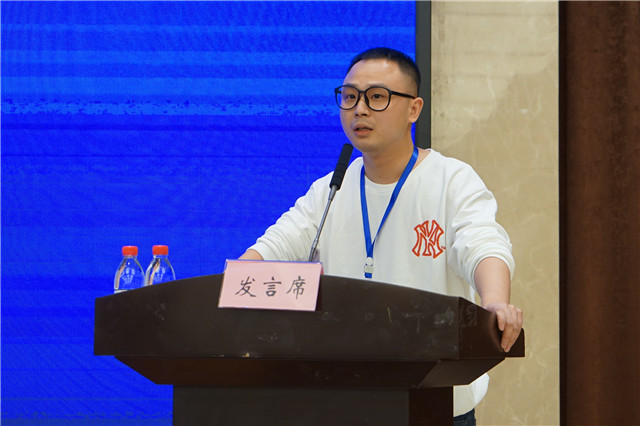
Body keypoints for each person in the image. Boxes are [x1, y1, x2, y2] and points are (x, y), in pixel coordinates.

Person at [240, 47, 523, 424]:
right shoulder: (330, 190)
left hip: (434, 406)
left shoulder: (451, 180)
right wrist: (234, 283)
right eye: (350, 96)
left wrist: (496, 303)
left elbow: (484, 245)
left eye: (377, 97)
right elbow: (272, 247)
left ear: (414, 109)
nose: (359, 109)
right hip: (345, 406)